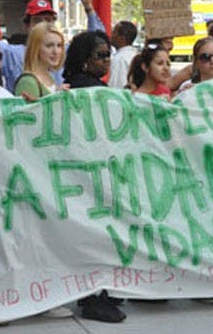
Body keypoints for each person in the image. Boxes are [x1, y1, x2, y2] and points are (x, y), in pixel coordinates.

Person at [63, 30, 127, 323]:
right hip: (88, 175)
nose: (106, 61)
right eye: (100, 55)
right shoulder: (86, 89)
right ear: (84, 60)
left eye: (108, 55)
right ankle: (93, 298)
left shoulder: (83, 86)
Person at [0, 0, 102, 91]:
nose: (55, 51)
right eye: (38, 20)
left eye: (49, 20)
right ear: (27, 26)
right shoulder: (14, 54)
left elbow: (94, 43)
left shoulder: (64, 51)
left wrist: (89, 8)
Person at [14, 22, 65, 98]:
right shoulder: (28, 82)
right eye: (49, 46)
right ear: (36, 48)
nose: (56, 51)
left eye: (59, 45)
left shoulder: (49, 76)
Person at [107, 21, 139, 89]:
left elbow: (116, 87)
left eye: (114, 32)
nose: (111, 35)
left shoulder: (120, 59)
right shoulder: (135, 55)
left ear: (122, 38)